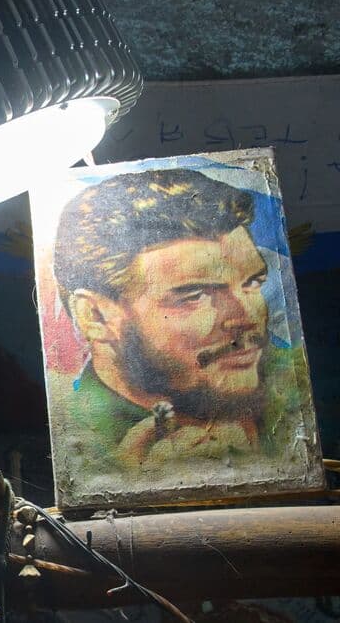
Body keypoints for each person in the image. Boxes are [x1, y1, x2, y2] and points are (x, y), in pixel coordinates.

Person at [49, 168, 309, 475]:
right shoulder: (85, 446)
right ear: (95, 316)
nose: (247, 318)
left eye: (252, 283)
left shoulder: (291, 385)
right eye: (195, 295)